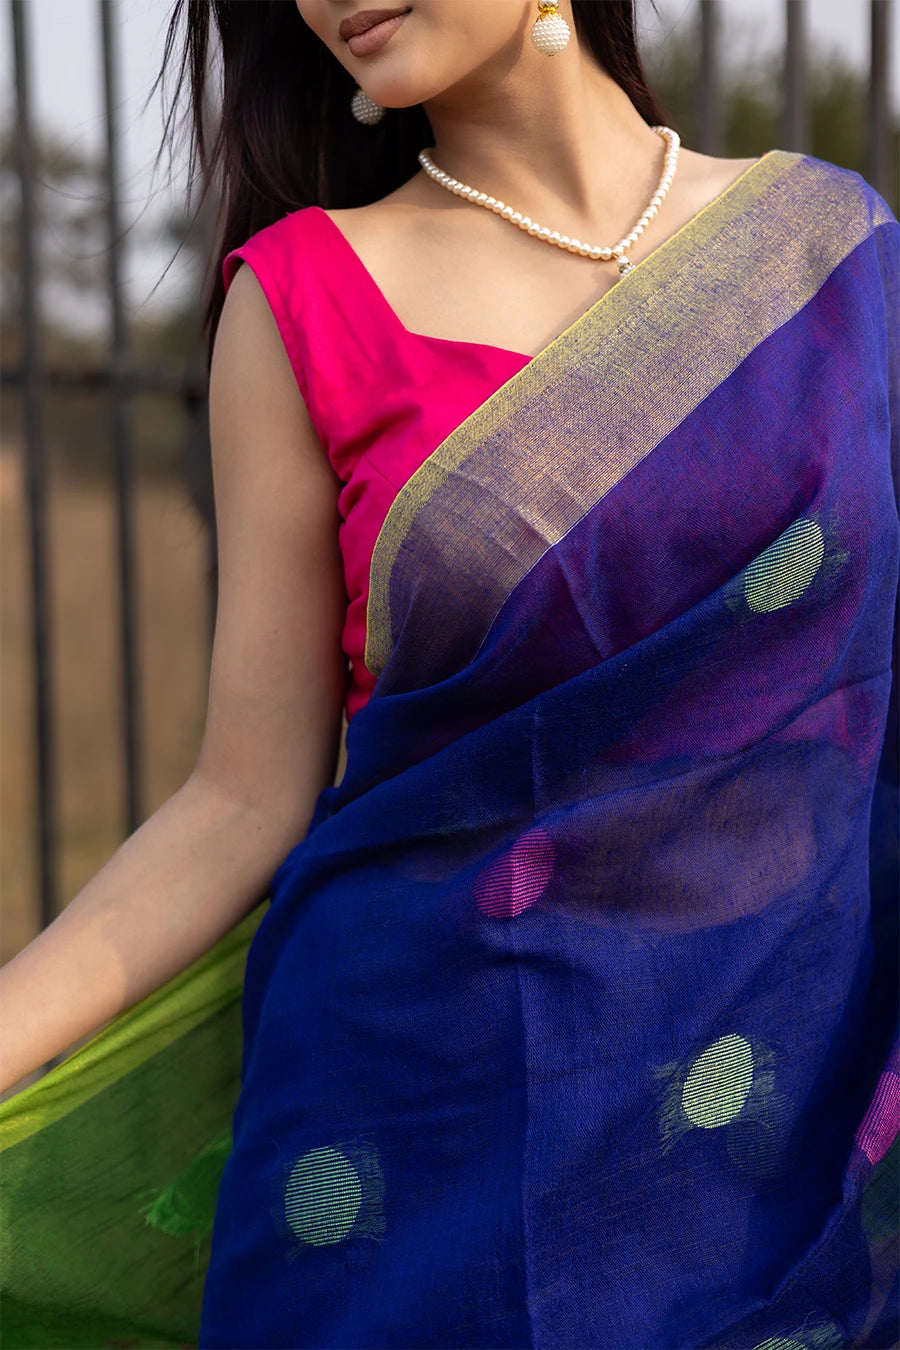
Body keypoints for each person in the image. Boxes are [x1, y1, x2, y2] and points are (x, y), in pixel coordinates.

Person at [1, 1, 897, 1347]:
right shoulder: (302, 300)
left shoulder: (832, 261)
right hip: (407, 1140)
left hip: (773, 1115)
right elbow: (240, 800)